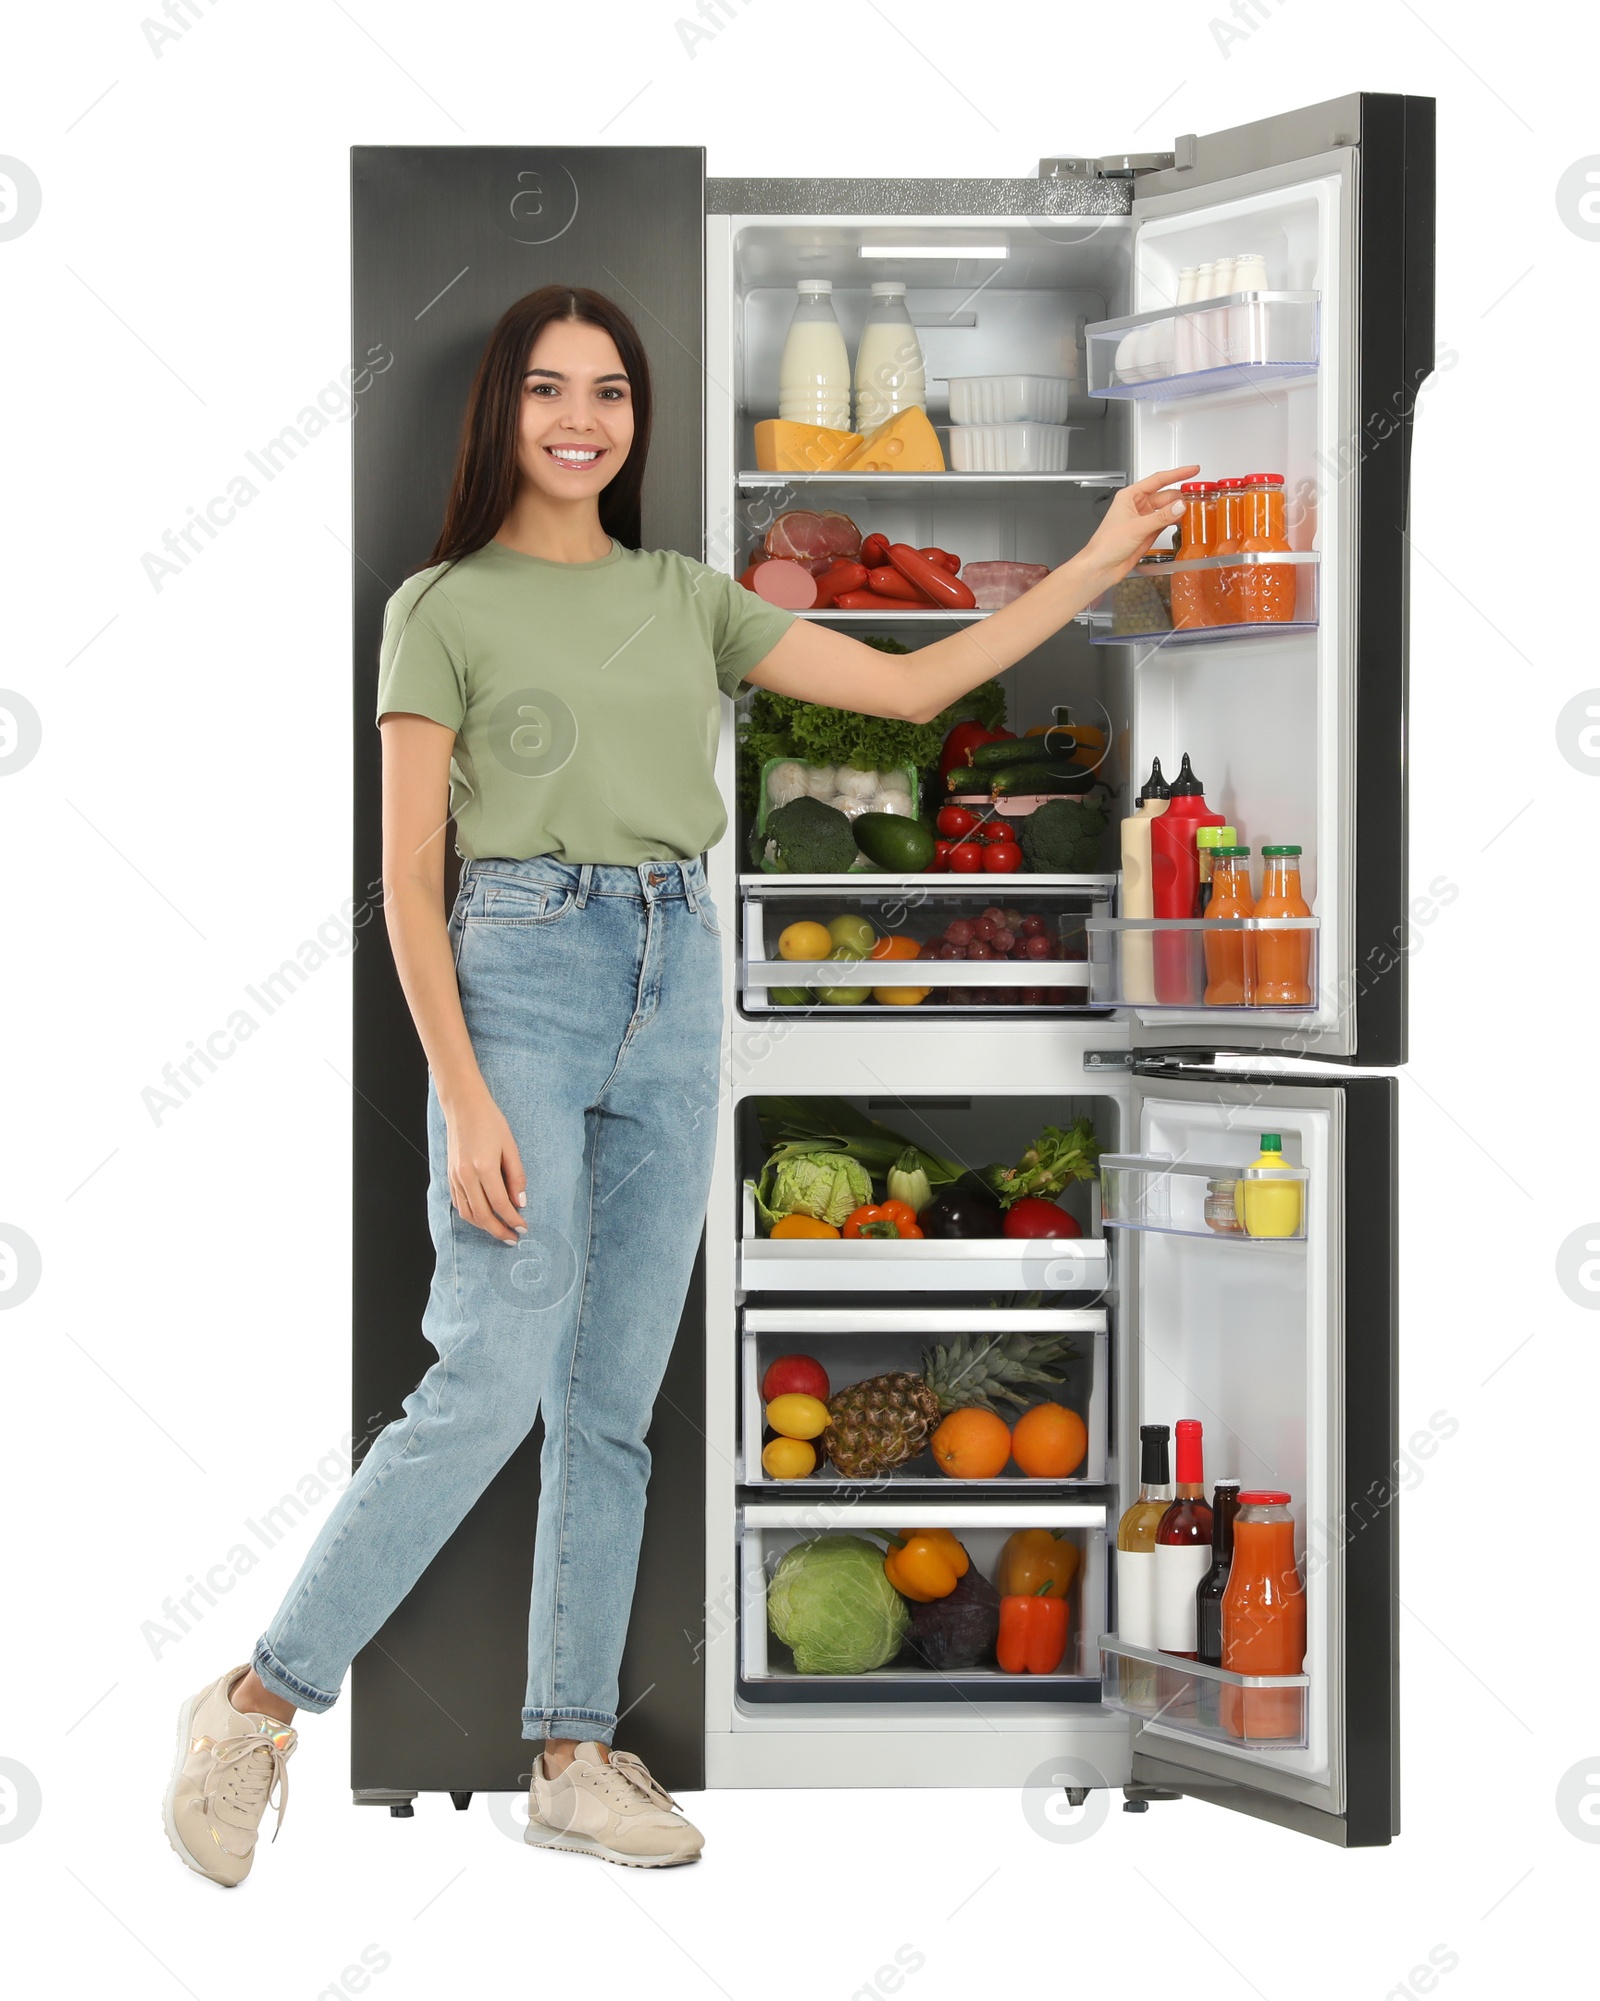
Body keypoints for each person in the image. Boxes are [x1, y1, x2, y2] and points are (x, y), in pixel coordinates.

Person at [163, 281, 1194, 1883]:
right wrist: (468, 1095)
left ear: (639, 419)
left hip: (677, 969)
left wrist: (1095, 560)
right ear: (504, 409)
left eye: (614, 393)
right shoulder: (439, 606)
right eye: (552, 390)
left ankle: (573, 1750)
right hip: (520, 971)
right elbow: (406, 881)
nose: (584, 419)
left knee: (613, 1405)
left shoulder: (690, 595)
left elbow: (917, 690)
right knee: (488, 1381)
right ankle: (253, 1704)